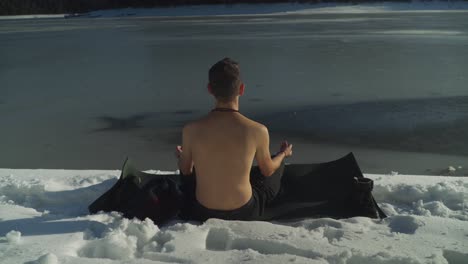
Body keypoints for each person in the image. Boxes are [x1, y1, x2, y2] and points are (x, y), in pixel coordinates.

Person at [175, 58, 293, 221]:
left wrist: (183, 157)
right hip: (245, 211)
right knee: (275, 168)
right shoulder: (257, 130)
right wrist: (282, 154)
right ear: (242, 89)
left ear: (210, 89)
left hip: (203, 211)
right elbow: (267, 170)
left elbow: (186, 170)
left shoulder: (191, 130)